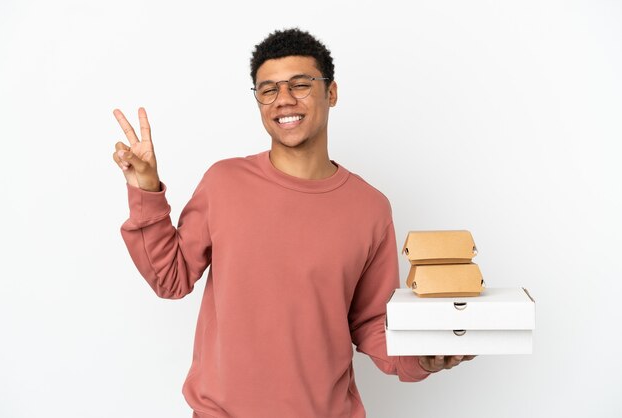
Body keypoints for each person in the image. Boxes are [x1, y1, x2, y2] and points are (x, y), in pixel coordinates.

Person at [112, 28, 474, 418]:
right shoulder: (224, 183)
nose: (283, 99)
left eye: (300, 84)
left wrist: (421, 360)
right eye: (268, 90)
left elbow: (370, 322)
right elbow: (171, 279)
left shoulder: (370, 207)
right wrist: (146, 190)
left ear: (331, 93)